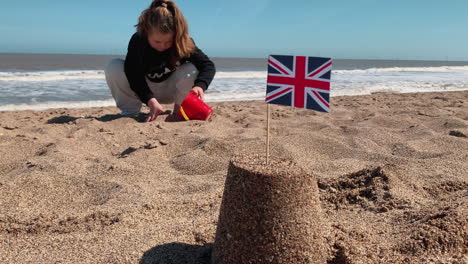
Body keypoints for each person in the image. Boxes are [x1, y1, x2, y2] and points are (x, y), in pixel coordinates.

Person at [105, 0, 216, 122]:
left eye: (168, 42)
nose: (162, 46)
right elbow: (133, 74)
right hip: (144, 89)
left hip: (170, 90)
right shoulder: (138, 40)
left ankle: (178, 112)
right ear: (146, 32)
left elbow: (208, 65)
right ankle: (130, 112)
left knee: (192, 68)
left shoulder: (183, 42)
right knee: (114, 66)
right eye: (157, 42)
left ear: (176, 35)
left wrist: (200, 86)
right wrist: (150, 100)